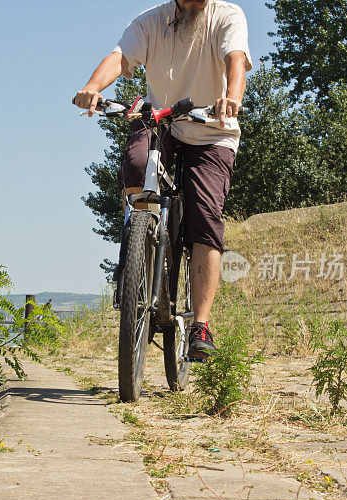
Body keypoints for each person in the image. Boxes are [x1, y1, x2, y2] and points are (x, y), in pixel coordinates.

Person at [73, 0, 252, 360]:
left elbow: (235, 59)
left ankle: (200, 325)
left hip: (211, 128)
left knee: (205, 215)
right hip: (162, 119)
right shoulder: (150, 22)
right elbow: (121, 58)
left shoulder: (226, 15)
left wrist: (231, 99)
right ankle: (140, 246)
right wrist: (92, 87)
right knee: (137, 163)